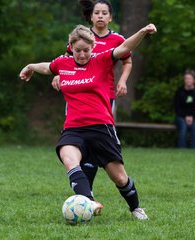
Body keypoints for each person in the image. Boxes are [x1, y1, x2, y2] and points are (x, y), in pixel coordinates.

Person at [20, 24, 157, 219]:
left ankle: (135, 208)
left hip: (101, 127)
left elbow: (125, 48)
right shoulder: (63, 63)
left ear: (92, 48)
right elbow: (47, 67)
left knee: (119, 177)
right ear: (71, 47)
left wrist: (143, 32)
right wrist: (30, 67)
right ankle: (88, 201)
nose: (82, 54)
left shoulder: (101, 60)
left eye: (86, 50)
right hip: (74, 128)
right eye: (77, 50)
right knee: (69, 159)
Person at [51, 0, 132, 193]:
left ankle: (111, 181)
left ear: (111, 17)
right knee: (80, 140)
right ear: (91, 16)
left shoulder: (117, 39)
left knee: (98, 141)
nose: (101, 16)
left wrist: (122, 81)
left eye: (105, 13)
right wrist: (57, 75)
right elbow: (66, 63)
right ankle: (87, 191)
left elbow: (127, 61)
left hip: (104, 96)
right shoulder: (81, 37)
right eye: (97, 12)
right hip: (78, 95)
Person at [174, 70, 195, 148]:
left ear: (194, 80)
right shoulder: (179, 92)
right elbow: (177, 107)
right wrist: (186, 116)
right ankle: (182, 149)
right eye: (186, 78)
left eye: (190, 78)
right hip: (181, 116)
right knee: (183, 126)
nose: (188, 80)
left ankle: (194, 150)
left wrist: (192, 116)